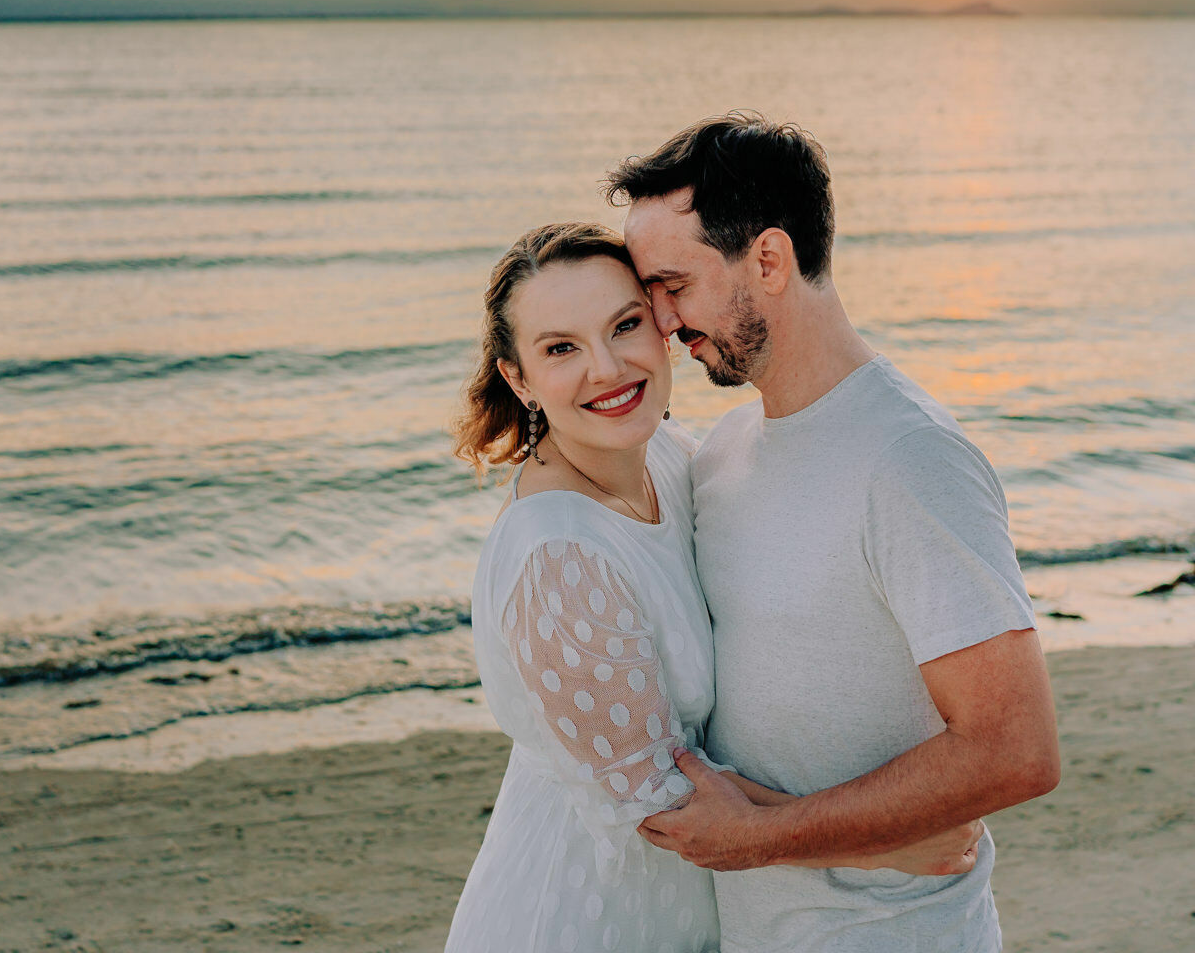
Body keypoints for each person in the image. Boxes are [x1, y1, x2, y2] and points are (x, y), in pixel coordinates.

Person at [443, 222, 986, 953]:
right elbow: (659, 800)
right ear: (519, 379)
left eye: (624, 326)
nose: (606, 368)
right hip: (586, 916)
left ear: (663, 326)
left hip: (694, 912)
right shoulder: (558, 555)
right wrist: (886, 842)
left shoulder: (669, 457)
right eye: (561, 349)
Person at [613, 113, 1061, 952]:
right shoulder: (723, 452)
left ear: (769, 261)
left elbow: (1014, 749)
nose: (663, 321)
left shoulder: (909, 459)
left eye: (674, 285)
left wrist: (759, 838)